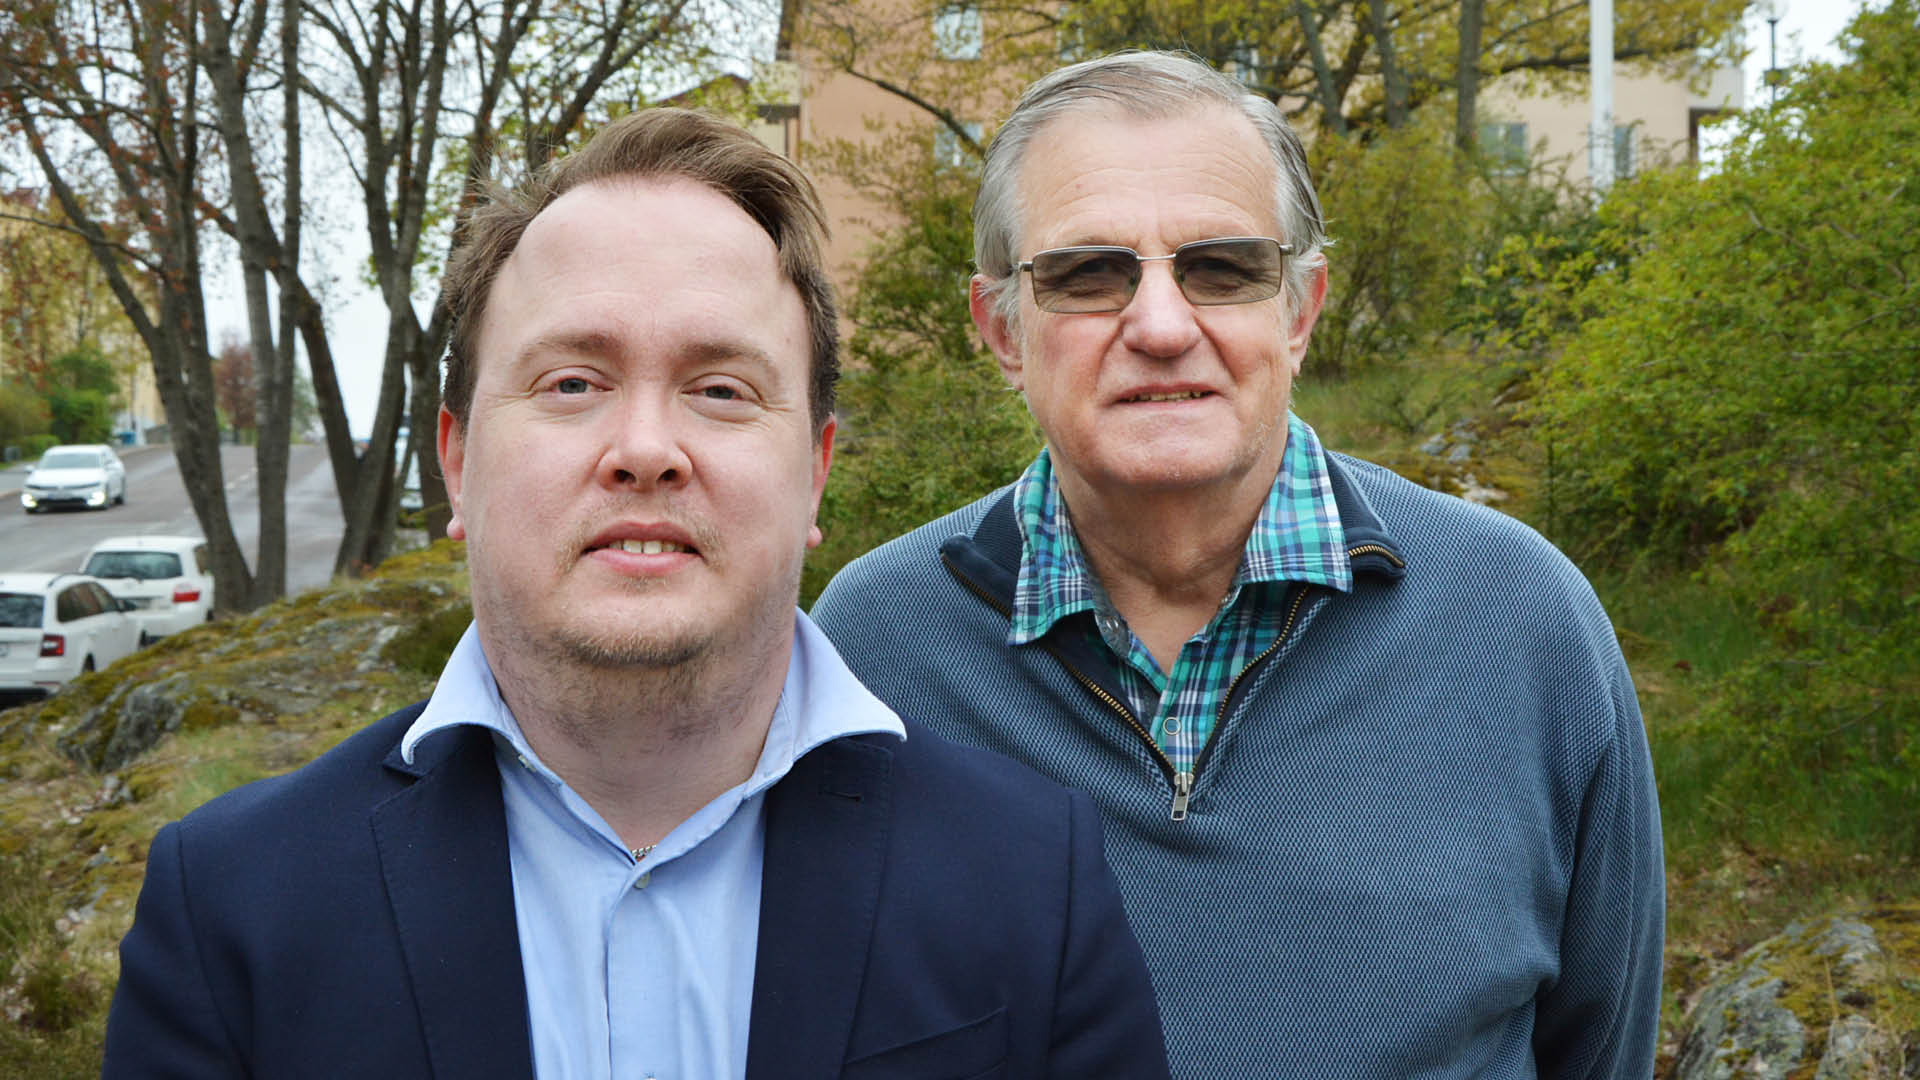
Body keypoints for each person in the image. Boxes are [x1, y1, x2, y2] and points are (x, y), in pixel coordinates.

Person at [103, 108, 1169, 1080]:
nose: (647, 448)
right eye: (572, 382)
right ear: (458, 463)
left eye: (721, 389)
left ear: (815, 473)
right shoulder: (232, 908)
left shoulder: (1036, 883)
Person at [813, 51, 1664, 1079]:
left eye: (1222, 268)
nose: (1161, 325)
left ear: (1299, 312)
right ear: (1001, 330)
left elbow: (1605, 1047)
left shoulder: (1522, 623)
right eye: (1088, 275)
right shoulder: (874, 653)